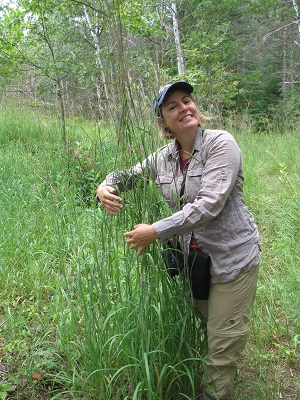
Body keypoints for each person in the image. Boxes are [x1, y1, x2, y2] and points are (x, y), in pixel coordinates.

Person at [96, 81, 261, 400]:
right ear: (163, 123)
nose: (183, 107)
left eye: (187, 100)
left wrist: (155, 230)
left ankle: (213, 391)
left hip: (233, 259)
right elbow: (125, 176)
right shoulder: (163, 157)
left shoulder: (221, 144)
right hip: (194, 263)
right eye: (172, 106)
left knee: (223, 336)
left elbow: (209, 205)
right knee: (207, 320)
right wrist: (104, 186)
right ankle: (222, 364)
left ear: (196, 108)